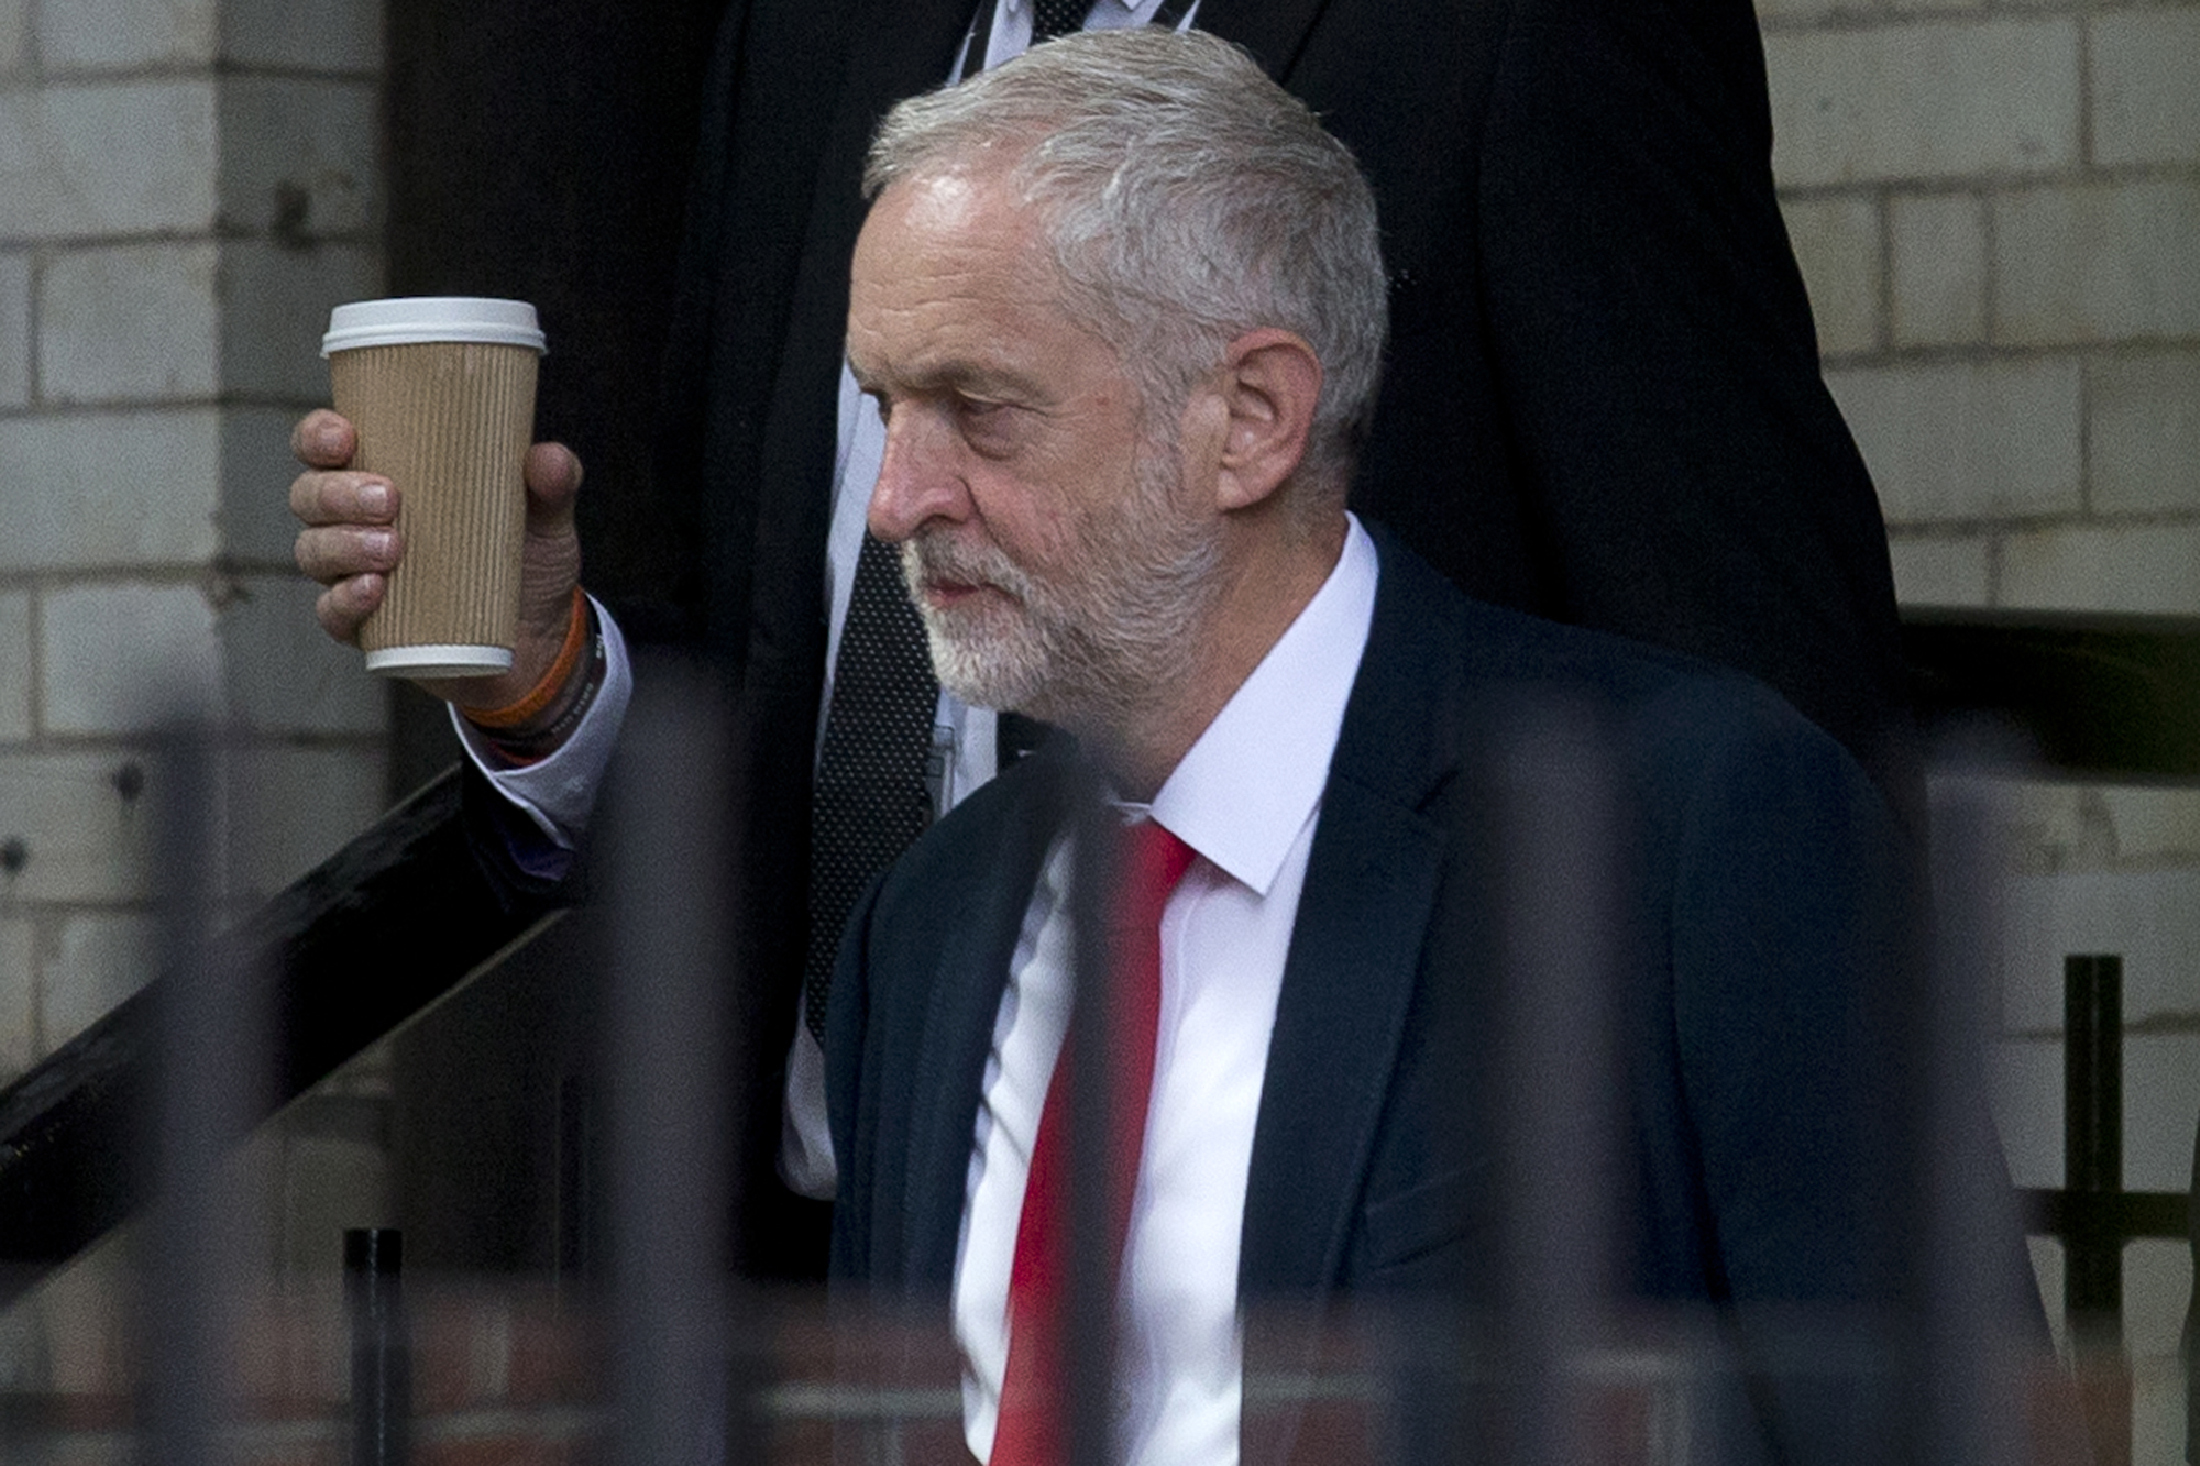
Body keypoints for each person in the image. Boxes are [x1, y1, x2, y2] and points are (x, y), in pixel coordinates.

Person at [293, 30, 2011, 1464]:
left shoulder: (1697, 838)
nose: (893, 503)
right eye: (882, 408)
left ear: (1254, 417)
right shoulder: (931, 936)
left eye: (980, 410)